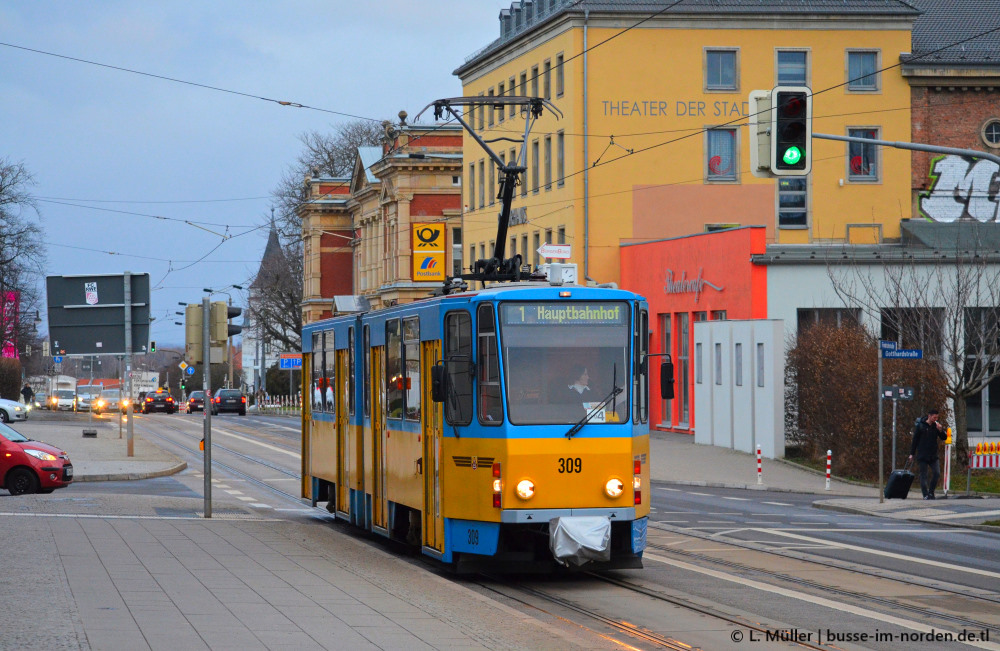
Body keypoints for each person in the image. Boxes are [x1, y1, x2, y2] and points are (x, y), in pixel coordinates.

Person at [909, 408, 948, 500]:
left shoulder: (936, 426)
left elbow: (944, 438)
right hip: (922, 454)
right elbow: (915, 440)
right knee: (924, 475)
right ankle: (925, 494)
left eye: (937, 417)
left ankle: (931, 492)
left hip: (933, 455)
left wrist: (940, 430)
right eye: (934, 417)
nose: (936, 419)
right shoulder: (921, 426)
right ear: (929, 416)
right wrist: (912, 453)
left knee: (937, 473)